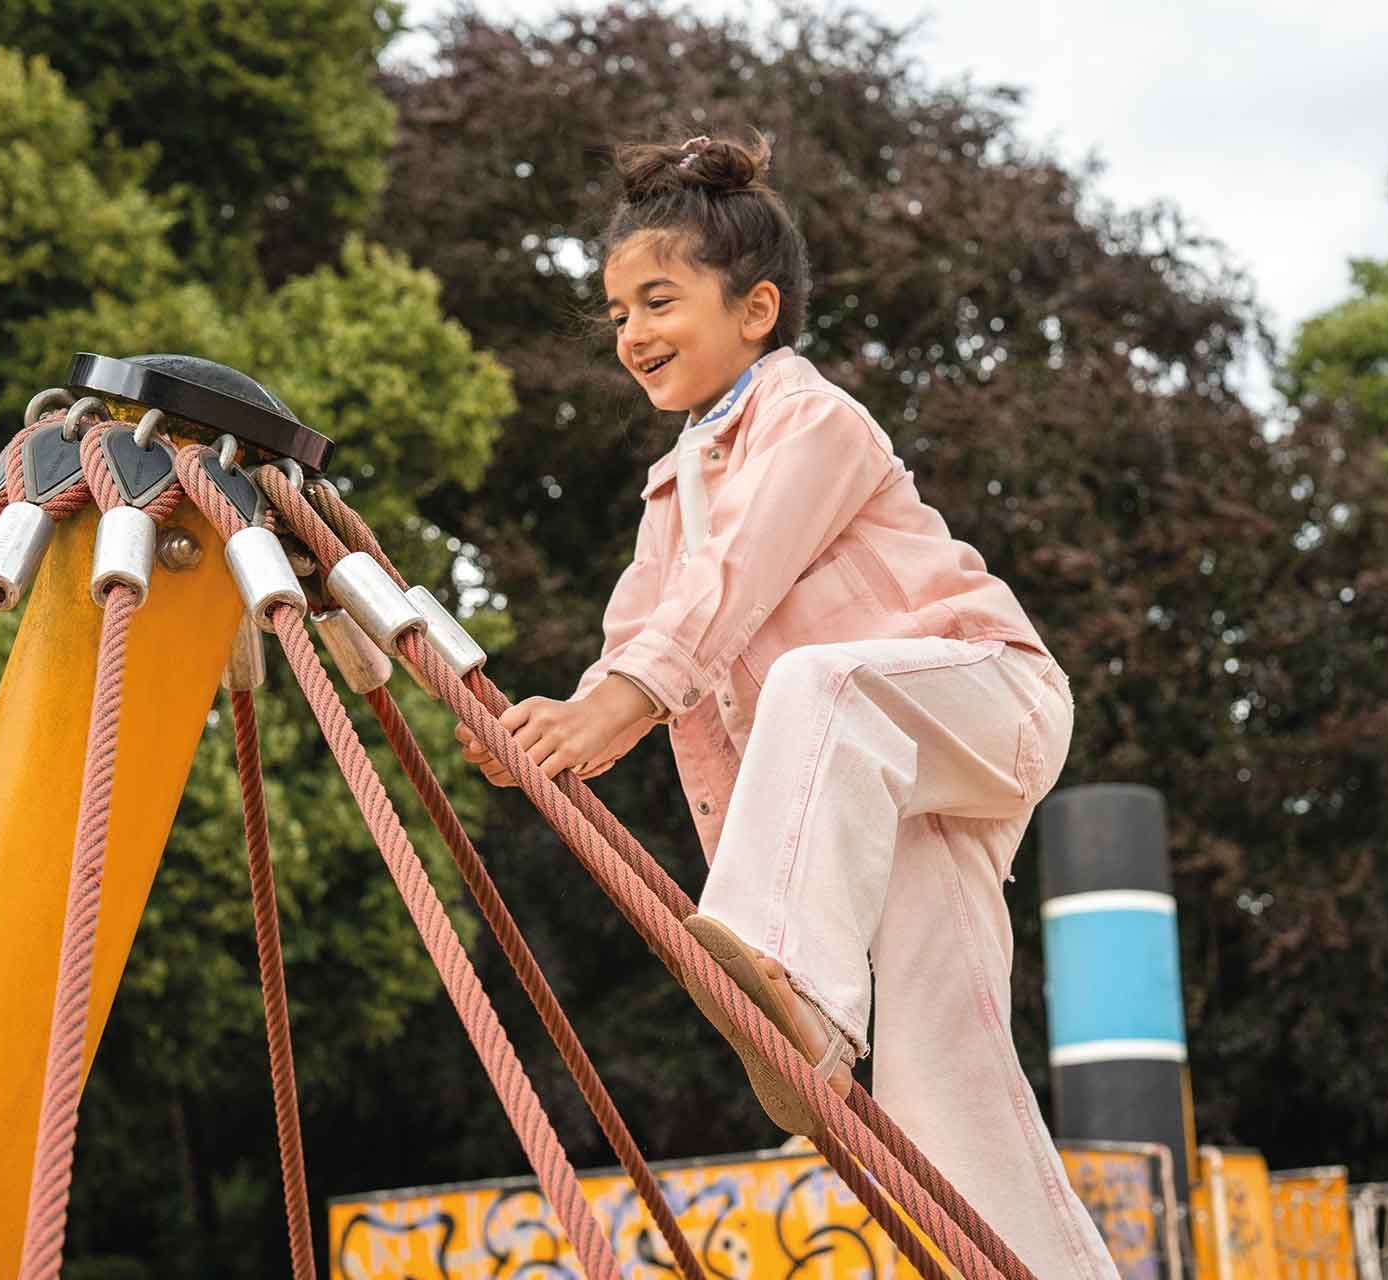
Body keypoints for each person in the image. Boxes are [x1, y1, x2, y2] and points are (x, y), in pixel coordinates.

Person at [455, 130, 1119, 1279]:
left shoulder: (814, 420)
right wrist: (561, 730)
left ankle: (800, 989)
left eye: (659, 301)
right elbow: (643, 648)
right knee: (942, 1075)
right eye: (617, 313)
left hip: (984, 694)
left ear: (756, 309)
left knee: (821, 676)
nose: (631, 334)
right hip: (891, 794)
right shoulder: (672, 491)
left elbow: (728, 587)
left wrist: (618, 711)